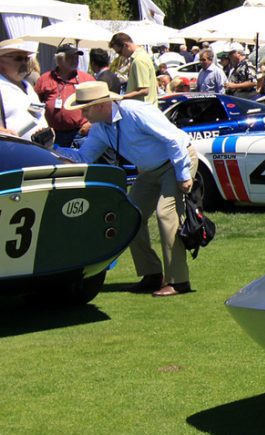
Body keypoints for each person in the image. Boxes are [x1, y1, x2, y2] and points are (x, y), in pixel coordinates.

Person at [68, 80, 197, 297]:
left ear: (101, 105)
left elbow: (174, 139)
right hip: (149, 171)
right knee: (130, 216)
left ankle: (178, 281)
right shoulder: (100, 129)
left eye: (85, 108)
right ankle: (152, 274)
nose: (83, 114)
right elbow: (83, 157)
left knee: (166, 214)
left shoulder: (136, 112)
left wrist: (183, 175)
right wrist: (50, 148)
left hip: (176, 162)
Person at [36, 44, 94, 147]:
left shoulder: (86, 79)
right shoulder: (44, 79)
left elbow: (99, 104)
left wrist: (90, 123)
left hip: (79, 134)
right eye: (71, 57)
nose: (75, 60)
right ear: (59, 59)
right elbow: (35, 104)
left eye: (77, 57)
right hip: (52, 134)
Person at [0, 41, 50, 143]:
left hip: (36, 153)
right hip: (10, 154)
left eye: (26, 59)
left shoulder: (28, 86)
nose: (24, 63)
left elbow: (37, 114)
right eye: (18, 58)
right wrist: (4, 133)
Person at [109, 32, 158, 104]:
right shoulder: (143, 55)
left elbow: (144, 90)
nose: (120, 55)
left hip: (142, 109)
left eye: (119, 52)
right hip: (145, 107)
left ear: (126, 45)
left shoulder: (139, 60)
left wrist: (122, 97)